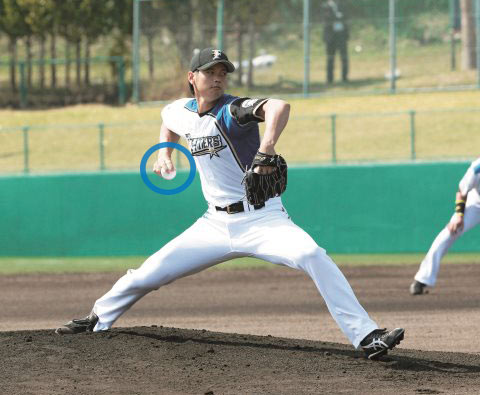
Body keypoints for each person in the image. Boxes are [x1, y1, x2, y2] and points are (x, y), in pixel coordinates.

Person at [56, 47, 404, 360]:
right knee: (149, 273)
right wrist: (165, 150)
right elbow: (168, 120)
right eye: (210, 72)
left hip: (263, 220)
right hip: (213, 225)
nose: (218, 78)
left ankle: (366, 336)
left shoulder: (234, 110)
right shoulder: (181, 110)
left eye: (223, 72)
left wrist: (266, 149)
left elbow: (280, 107)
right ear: (192, 77)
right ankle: (96, 318)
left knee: (312, 255)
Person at [410, 157, 480, 295]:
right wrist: (459, 215)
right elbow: (462, 190)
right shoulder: (477, 168)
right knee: (449, 233)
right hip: (476, 205)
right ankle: (422, 279)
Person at [322, 0, 349, 84]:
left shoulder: (342, 5)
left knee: (344, 57)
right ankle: (330, 79)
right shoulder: (325, 6)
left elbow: (346, 18)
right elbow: (326, 19)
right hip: (331, 37)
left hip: (341, 36)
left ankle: (344, 77)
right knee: (330, 58)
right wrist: (337, 17)